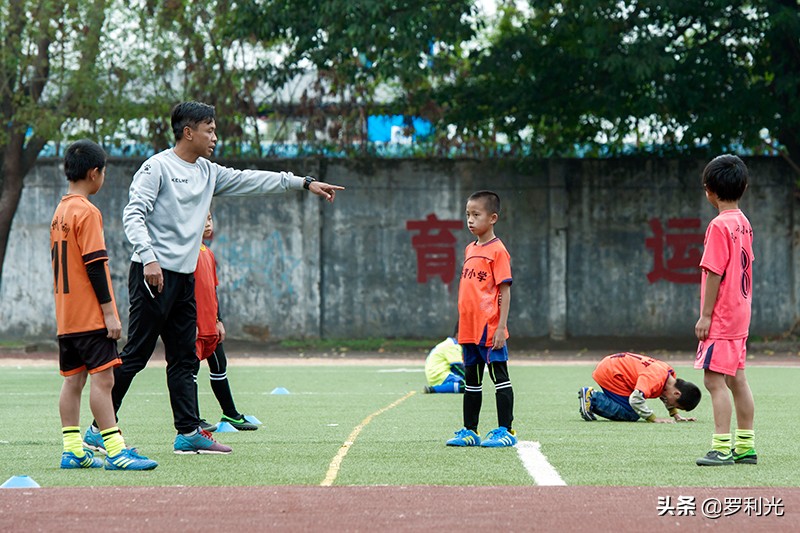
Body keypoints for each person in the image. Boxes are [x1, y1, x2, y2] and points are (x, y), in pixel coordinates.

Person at [85, 101, 344, 455]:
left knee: (184, 357)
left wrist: (304, 183)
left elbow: (251, 179)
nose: (214, 137)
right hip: (153, 275)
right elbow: (133, 215)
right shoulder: (156, 167)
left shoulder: (208, 172)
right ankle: (99, 429)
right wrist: (148, 258)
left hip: (185, 278)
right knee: (136, 355)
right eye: (209, 130)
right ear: (188, 132)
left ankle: (188, 432)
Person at [50, 140, 157, 471]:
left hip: (66, 317)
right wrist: (110, 312)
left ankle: (73, 450)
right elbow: (95, 265)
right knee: (104, 380)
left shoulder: (60, 212)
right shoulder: (87, 211)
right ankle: (115, 450)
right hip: (89, 316)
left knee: (73, 381)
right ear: (95, 173)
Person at [693, 155, 756, 466]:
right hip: (741, 314)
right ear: (742, 187)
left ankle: (720, 447)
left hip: (722, 316)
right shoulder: (743, 222)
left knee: (714, 381)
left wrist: (706, 315)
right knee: (738, 380)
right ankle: (746, 446)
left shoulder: (719, 225)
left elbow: (714, 271)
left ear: (710, 191)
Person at [446, 190, 516, 448]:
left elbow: (504, 292)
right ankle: (469, 430)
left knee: (500, 378)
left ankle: (505, 430)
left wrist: (501, 326)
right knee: (472, 382)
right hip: (468, 328)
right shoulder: (469, 249)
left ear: (493, 218)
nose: (470, 220)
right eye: (468, 215)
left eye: (476, 215)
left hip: (489, 328)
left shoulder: (498, 251)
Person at [193, 212, 257, 432]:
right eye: (204, 218)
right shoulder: (184, 254)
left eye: (211, 218)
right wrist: (188, 322)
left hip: (211, 326)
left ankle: (230, 414)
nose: (209, 222)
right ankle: (193, 419)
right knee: (189, 372)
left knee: (220, 366)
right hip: (194, 327)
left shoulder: (208, 254)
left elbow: (212, 290)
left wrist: (218, 320)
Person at [578, 352, 701, 423]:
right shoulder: (655, 379)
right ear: (677, 394)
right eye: (676, 405)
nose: (672, 405)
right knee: (632, 414)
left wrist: (676, 416)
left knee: (632, 409)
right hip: (612, 373)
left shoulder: (669, 376)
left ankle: (593, 398)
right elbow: (635, 399)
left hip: (614, 365)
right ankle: (593, 398)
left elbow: (665, 395)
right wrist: (652, 418)